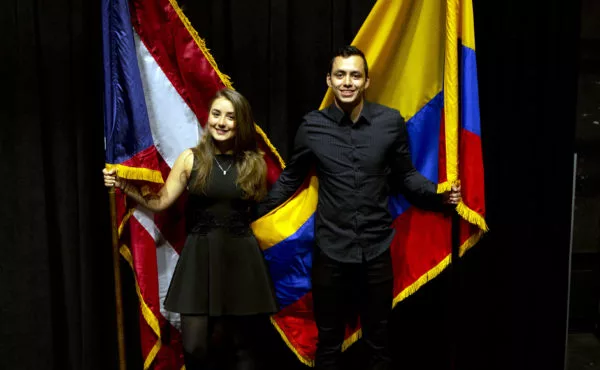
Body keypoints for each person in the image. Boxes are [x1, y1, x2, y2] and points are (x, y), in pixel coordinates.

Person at [257, 46, 461, 370]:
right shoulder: (312, 127)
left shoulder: (390, 122)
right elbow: (289, 181)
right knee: (328, 344)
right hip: (330, 253)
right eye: (340, 75)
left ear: (367, 81)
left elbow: (406, 176)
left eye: (355, 75)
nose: (347, 81)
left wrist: (438, 195)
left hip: (376, 251)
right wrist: (254, 214)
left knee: (378, 343)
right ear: (329, 80)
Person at [104, 88, 278, 370]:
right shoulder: (191, 158)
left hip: (240, 260)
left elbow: (259, 209)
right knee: (195, 346)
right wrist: (124, 185)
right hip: (200, 258)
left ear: (240, 122)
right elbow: (160, 201)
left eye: (230, 117)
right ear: (208, 118)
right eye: (216, 114)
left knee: (242, 348)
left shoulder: (253, 164)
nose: (221, 122)